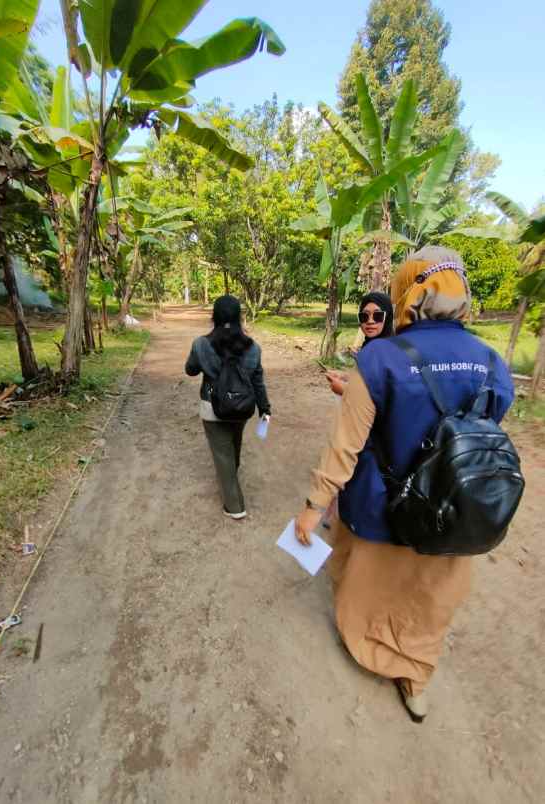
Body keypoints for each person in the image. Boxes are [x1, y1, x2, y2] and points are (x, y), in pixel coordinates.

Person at [294, 246, 515, 722]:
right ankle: (414, 677)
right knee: (430, 594)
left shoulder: (380, 360)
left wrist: (315, 504)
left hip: (380, 503)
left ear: (407, 291)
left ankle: (367, 646)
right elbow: (486, 428)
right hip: (456, 508)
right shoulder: (491, 361)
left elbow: (345, 446)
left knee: (366, 581)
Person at [185, 295, 271, 520]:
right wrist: (265, 408)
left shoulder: (201, 344)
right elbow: (257, 380)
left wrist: (203, 361)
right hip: (242, 407)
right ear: (239, 318)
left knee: (223, 455)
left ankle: (235, 507)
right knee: (234, 446)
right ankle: (231, 476)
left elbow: (191, 370)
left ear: (214, 316)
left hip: (213, 408)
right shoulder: (253, 348)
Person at [326, 291, 393, 396]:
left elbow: (384, 396)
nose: (370, 321)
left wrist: (345, 390)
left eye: (378, 315)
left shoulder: (390, 352)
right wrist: (344, 376)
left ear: (387, 318)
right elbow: (369, 380)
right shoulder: (371, 346)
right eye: (364, 316)